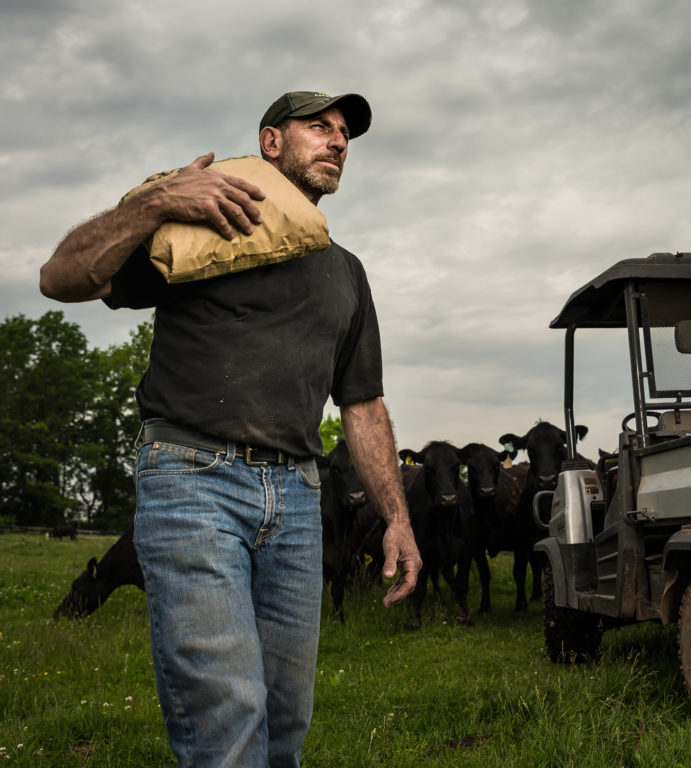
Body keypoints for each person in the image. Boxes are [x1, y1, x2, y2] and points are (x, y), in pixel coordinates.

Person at [40, 90, 422, 768]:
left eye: (344, 134)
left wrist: (396, 515)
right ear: (270, 142)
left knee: (283, 721)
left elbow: (362, 405)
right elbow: (61, 277)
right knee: (228, 716)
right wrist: (155, 204)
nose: (337, 141)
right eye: (318, 127)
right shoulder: (207, 226)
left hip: (300, 500)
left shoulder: (346, 272)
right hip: (194, 481)